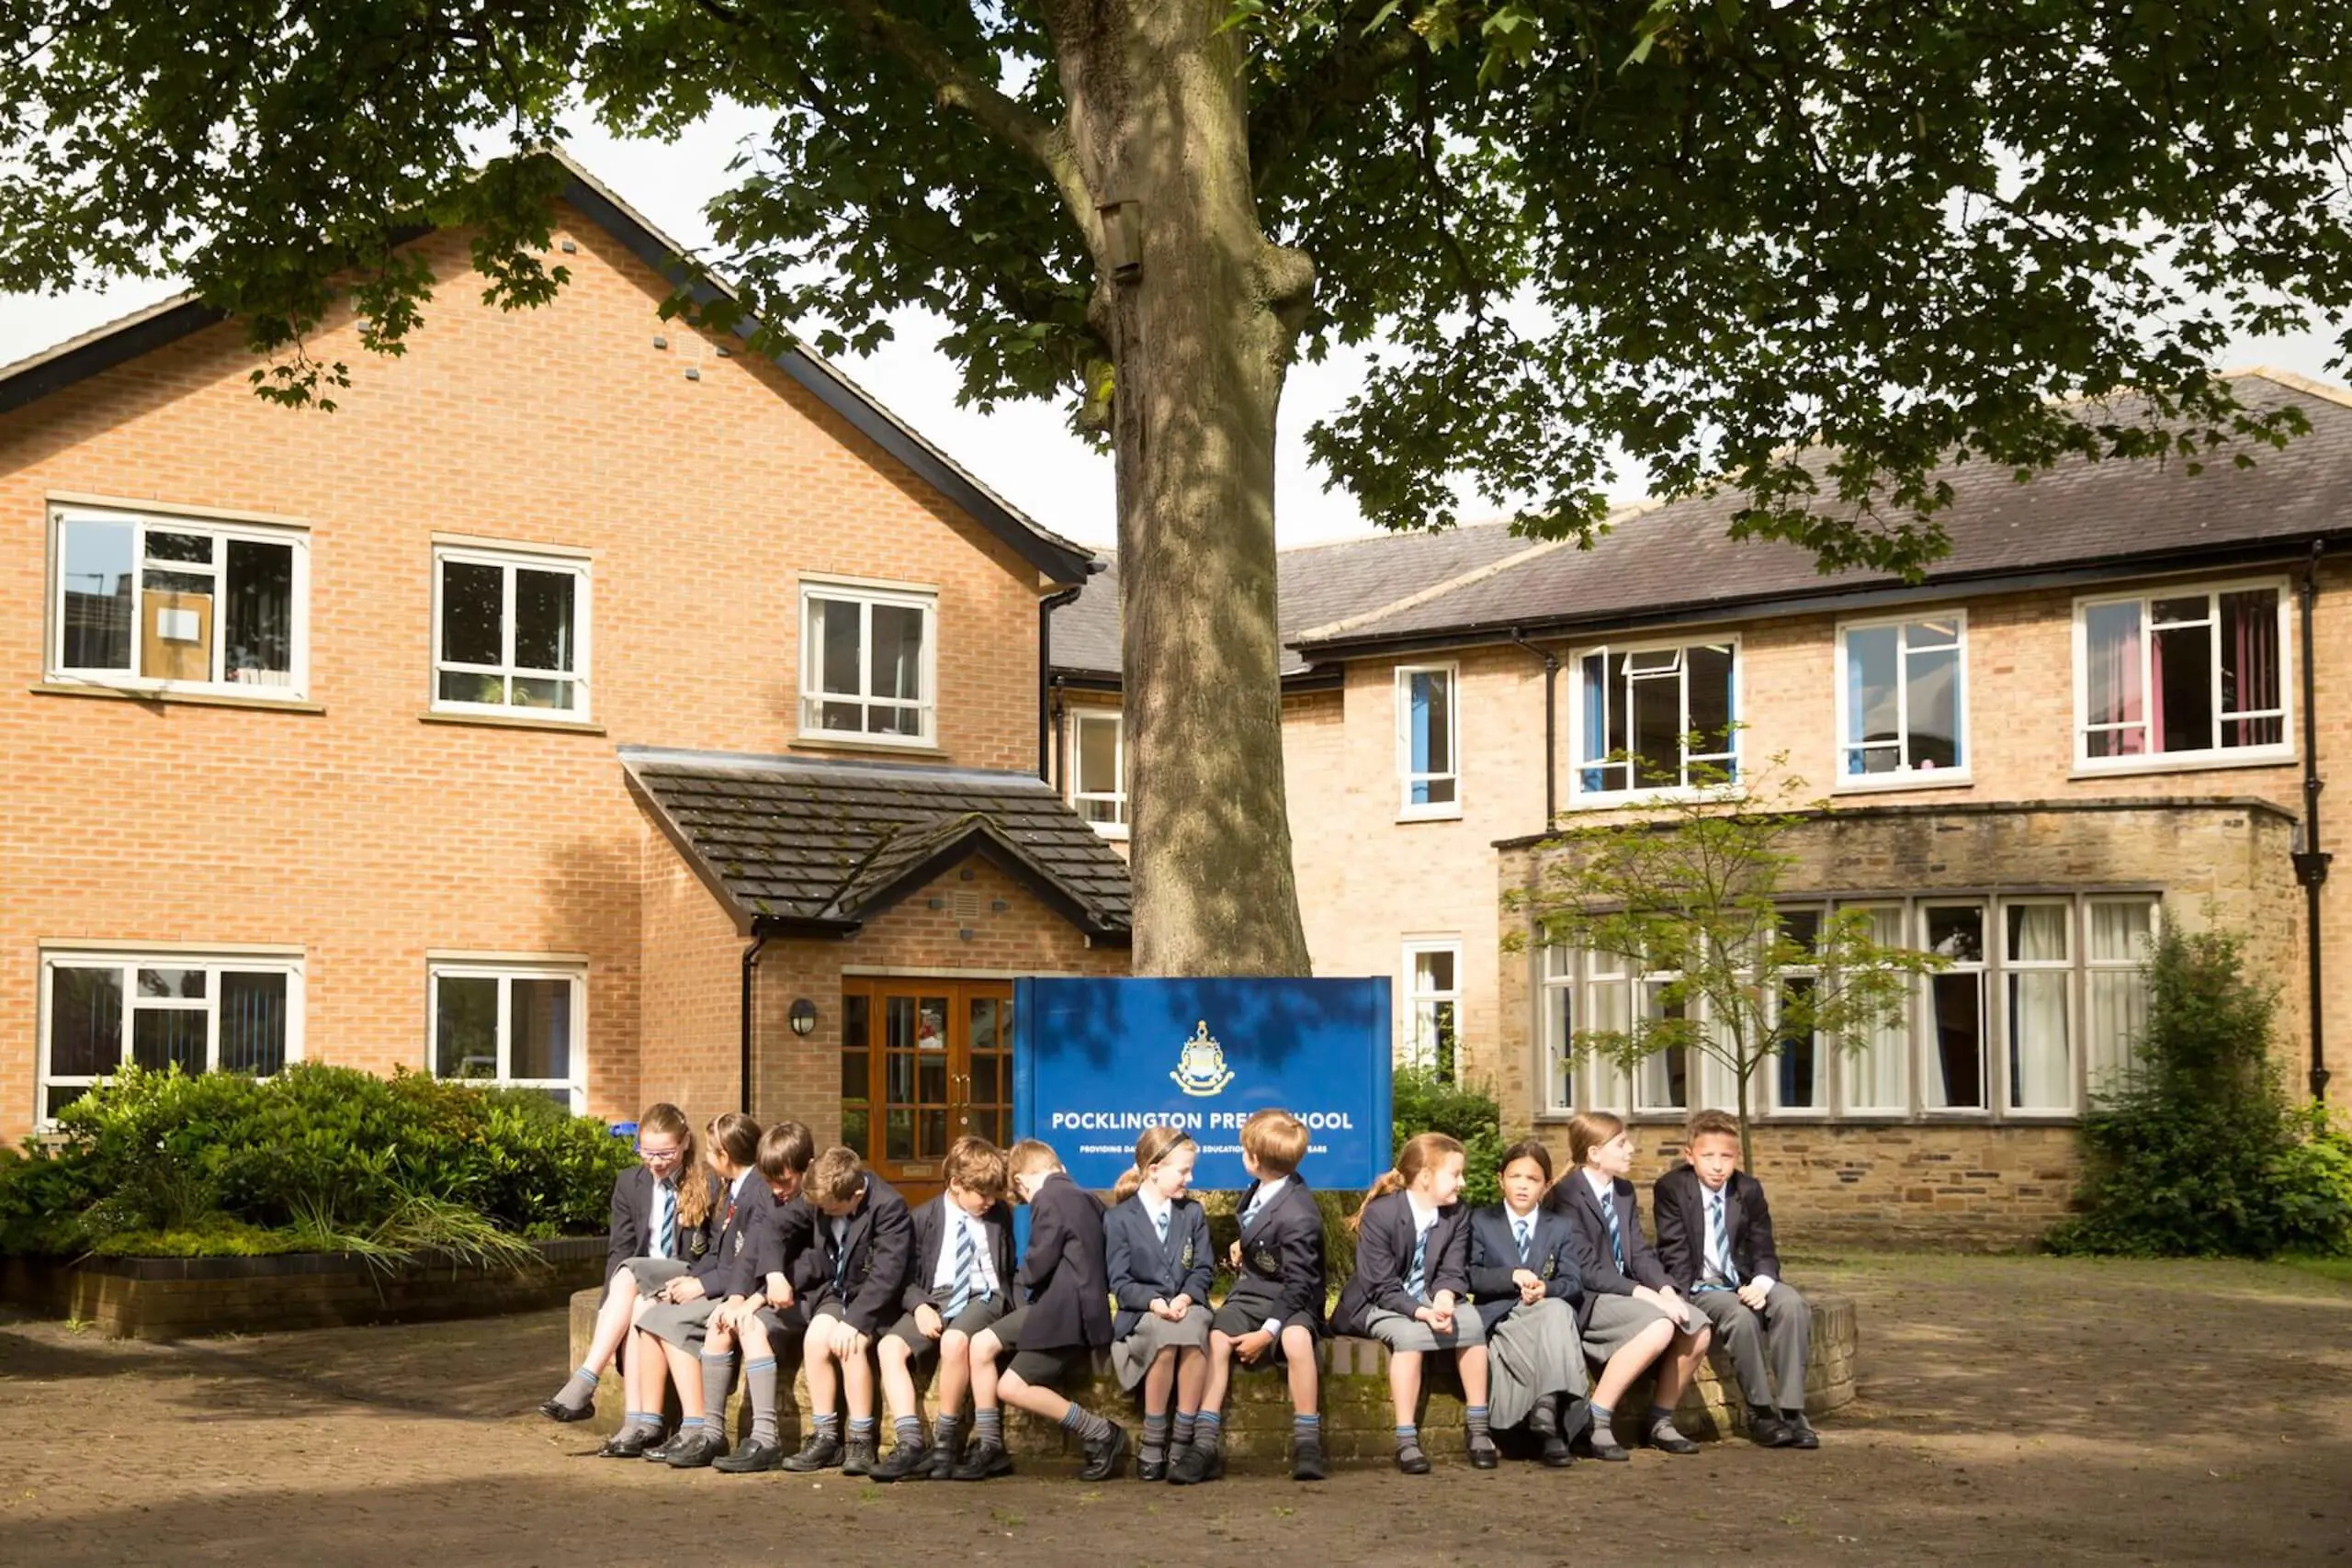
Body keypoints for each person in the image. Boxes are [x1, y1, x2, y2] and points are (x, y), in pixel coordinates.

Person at [1544, 1111, 1711, 1460]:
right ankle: (1597, 1419)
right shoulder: (1566, 1196)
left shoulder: (1623, 1190)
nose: (1630, 1149)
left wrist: (1665, 1289)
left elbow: (1639, 1253)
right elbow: (1585, 1269)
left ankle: (1660, 1422)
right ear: (1594, 1153)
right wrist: (1646, 1295)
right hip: (1588, 1297)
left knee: (1698, 1329)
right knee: (1660, 1326)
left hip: (1628, 1293)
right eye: (1621, 1143)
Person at [956, 1139, 1125, 1482]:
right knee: (983, 1344)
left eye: (1021, 1194)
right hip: (1079, 1309)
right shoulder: (1087, 1197)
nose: (1025, 1201)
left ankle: (1100, 1432)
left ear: (1021, 1180)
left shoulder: (1049, 1196)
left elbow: (1037, 1263)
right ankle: (989, 1443)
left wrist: (1020, 1280)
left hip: (1063, 1313)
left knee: (1010, 1387)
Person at [1176, 1107, 1328, 1484]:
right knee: (1217, 1339)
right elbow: (1262, 1227)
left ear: (1255, 1160)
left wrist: (1268, 1333)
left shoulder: (1300, 1214)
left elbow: (1300, 1282)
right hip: (1253, 1290)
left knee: (1296, 1341)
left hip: (1294, 1297)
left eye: (1244, 1150)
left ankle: (1308, 1443)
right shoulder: (1265, 1187)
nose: (1241, 1154)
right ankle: (1205, 1443)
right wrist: (1245, 1244)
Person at [543, 1103, 718, 1425]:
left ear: (685, 1143)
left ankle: (586, 1378)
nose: (655, 1162)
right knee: (635, 1303)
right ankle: (637, 1423)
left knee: (629, 1275)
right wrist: (606, 1312)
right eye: (647, 1152)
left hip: (685, 1275)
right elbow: (619, 1250)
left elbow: (713, 1252)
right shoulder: (628, 1182)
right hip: (641, 1279)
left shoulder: (707, 1181)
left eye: (665, 1153)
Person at [1652, 1109, 1817, 1450]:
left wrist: (1761, 1284)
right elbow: (1674, 1252)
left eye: (1726, 1157)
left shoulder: (1748, 1189)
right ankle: (1761, 1412)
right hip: (1701, 1285)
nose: (1717, 1165)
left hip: (1744, 1280)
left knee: (1792, 1305)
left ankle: (1792, 1411)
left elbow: (1764, 1250)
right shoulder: (1671, 1188)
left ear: (1736, 1157)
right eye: (1707, 1156)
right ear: (1689, 1155)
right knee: (1740, 1317)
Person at [1332, 1132, 1497, 1473]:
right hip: (1379, 1302)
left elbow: (1454, 1268)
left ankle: (1479, 1427)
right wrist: (1421, 1312)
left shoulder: (1457, 1214)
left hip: (1430, 1297)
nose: (1463, 1183)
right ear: (1424, 1177)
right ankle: (1406, 1440)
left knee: (1471, 1325)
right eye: (1455, 1174)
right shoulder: (1382, 1214)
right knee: (1409, 1337)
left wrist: (1446, 1299)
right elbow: (1380, 1284)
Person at [619, 1111, 771, 1468]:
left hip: (747, 1294)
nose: (704, 1158)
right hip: (724, 1285)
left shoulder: (756, 1192)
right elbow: (719, 1254)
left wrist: (702, 1286)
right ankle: (653, 1422)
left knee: (669, 1323)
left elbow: (748, 1261)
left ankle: (695, 1427)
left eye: (711, 1151)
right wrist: (690, 1282)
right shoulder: (735, 1188)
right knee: (654, 1317)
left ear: (725, 1156)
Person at [869, 1135, 1016, 1482]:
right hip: (938, 1296)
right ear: (956, 1184)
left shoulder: (999, 1216)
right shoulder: (922, 1218)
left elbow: (1010, 1269)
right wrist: (919, 1305)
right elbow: (902, 1276)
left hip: (984, 1295)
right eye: (983, 1193)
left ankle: (945, 1444)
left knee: (954, 1342)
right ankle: (909, 1443)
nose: (990, 1201)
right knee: (889, 1346)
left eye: (995, 1193)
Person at [780, 1145, 914, 1476]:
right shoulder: (823, 1193)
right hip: (835, 1293)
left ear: (856, 1195)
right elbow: (780, 1226)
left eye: (830, 1208)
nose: (823, 1212)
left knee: (849, 1346)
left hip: (875, 1301)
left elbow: (887, 1275)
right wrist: (772, 1274)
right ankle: (826, 1438)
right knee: (815, 1341)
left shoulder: (889, 1206)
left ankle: (860, 1438)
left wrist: (854, 1322)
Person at [1465, 1138, 1589, 1467]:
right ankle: (1551, 1424)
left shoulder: (1561, 1226)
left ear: (1546, 1186)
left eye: (1533, 1179)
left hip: (1544, 1311)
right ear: (1500, 1179)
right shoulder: (1480, 1220)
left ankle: (1544, 1412)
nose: (1522, 1186)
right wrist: (1511, 1276)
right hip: (1500, 1315)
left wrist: (1545, 1288)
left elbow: (1573, 1282)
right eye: (1515, 1177)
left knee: (1558, 1308)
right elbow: (1469, 1276)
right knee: (1558, 1319)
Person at [709, 1119, 821, 1473]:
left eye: (784, 1181)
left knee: (753, 1327)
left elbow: (818, 1261)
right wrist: (736, 1297)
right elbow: (754, 1247)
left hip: (810, 1293)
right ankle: (709, 1432)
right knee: (721, 1324)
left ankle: (765, 1438)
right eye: (770, 1181)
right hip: (771, 1290)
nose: (776, 1190)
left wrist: (758, 1300)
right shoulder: (768, 1192)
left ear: (809, 1166)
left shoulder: (820, 1196)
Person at [1103, 1125, 1215, 1480]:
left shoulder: (1192, 1214)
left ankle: (1182, 1438)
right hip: (1143, 1313)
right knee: (1165, 1338)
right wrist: (1154, 1303)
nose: (1190, 1178)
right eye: (1183, 1171)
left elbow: (1203, 1269)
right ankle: (1153, 1438)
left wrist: (1184, 1296)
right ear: (1153, 1169)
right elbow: (1119, 1282)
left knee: (1195, 1330)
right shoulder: (1118, 1219)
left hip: (1188, 1305)